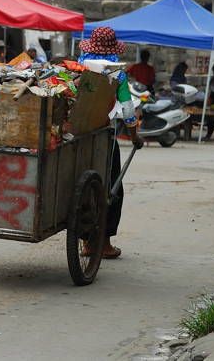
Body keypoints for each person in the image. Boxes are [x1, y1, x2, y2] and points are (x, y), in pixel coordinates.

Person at [78, 26, 144, 260]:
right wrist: (135, 137)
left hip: (76, 136)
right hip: (103, 136)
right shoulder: (118, 75)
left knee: (81, 188)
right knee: (112, 187)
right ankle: (103, 244)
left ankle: (86, 244)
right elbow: (127, 110)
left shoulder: (78, 67)